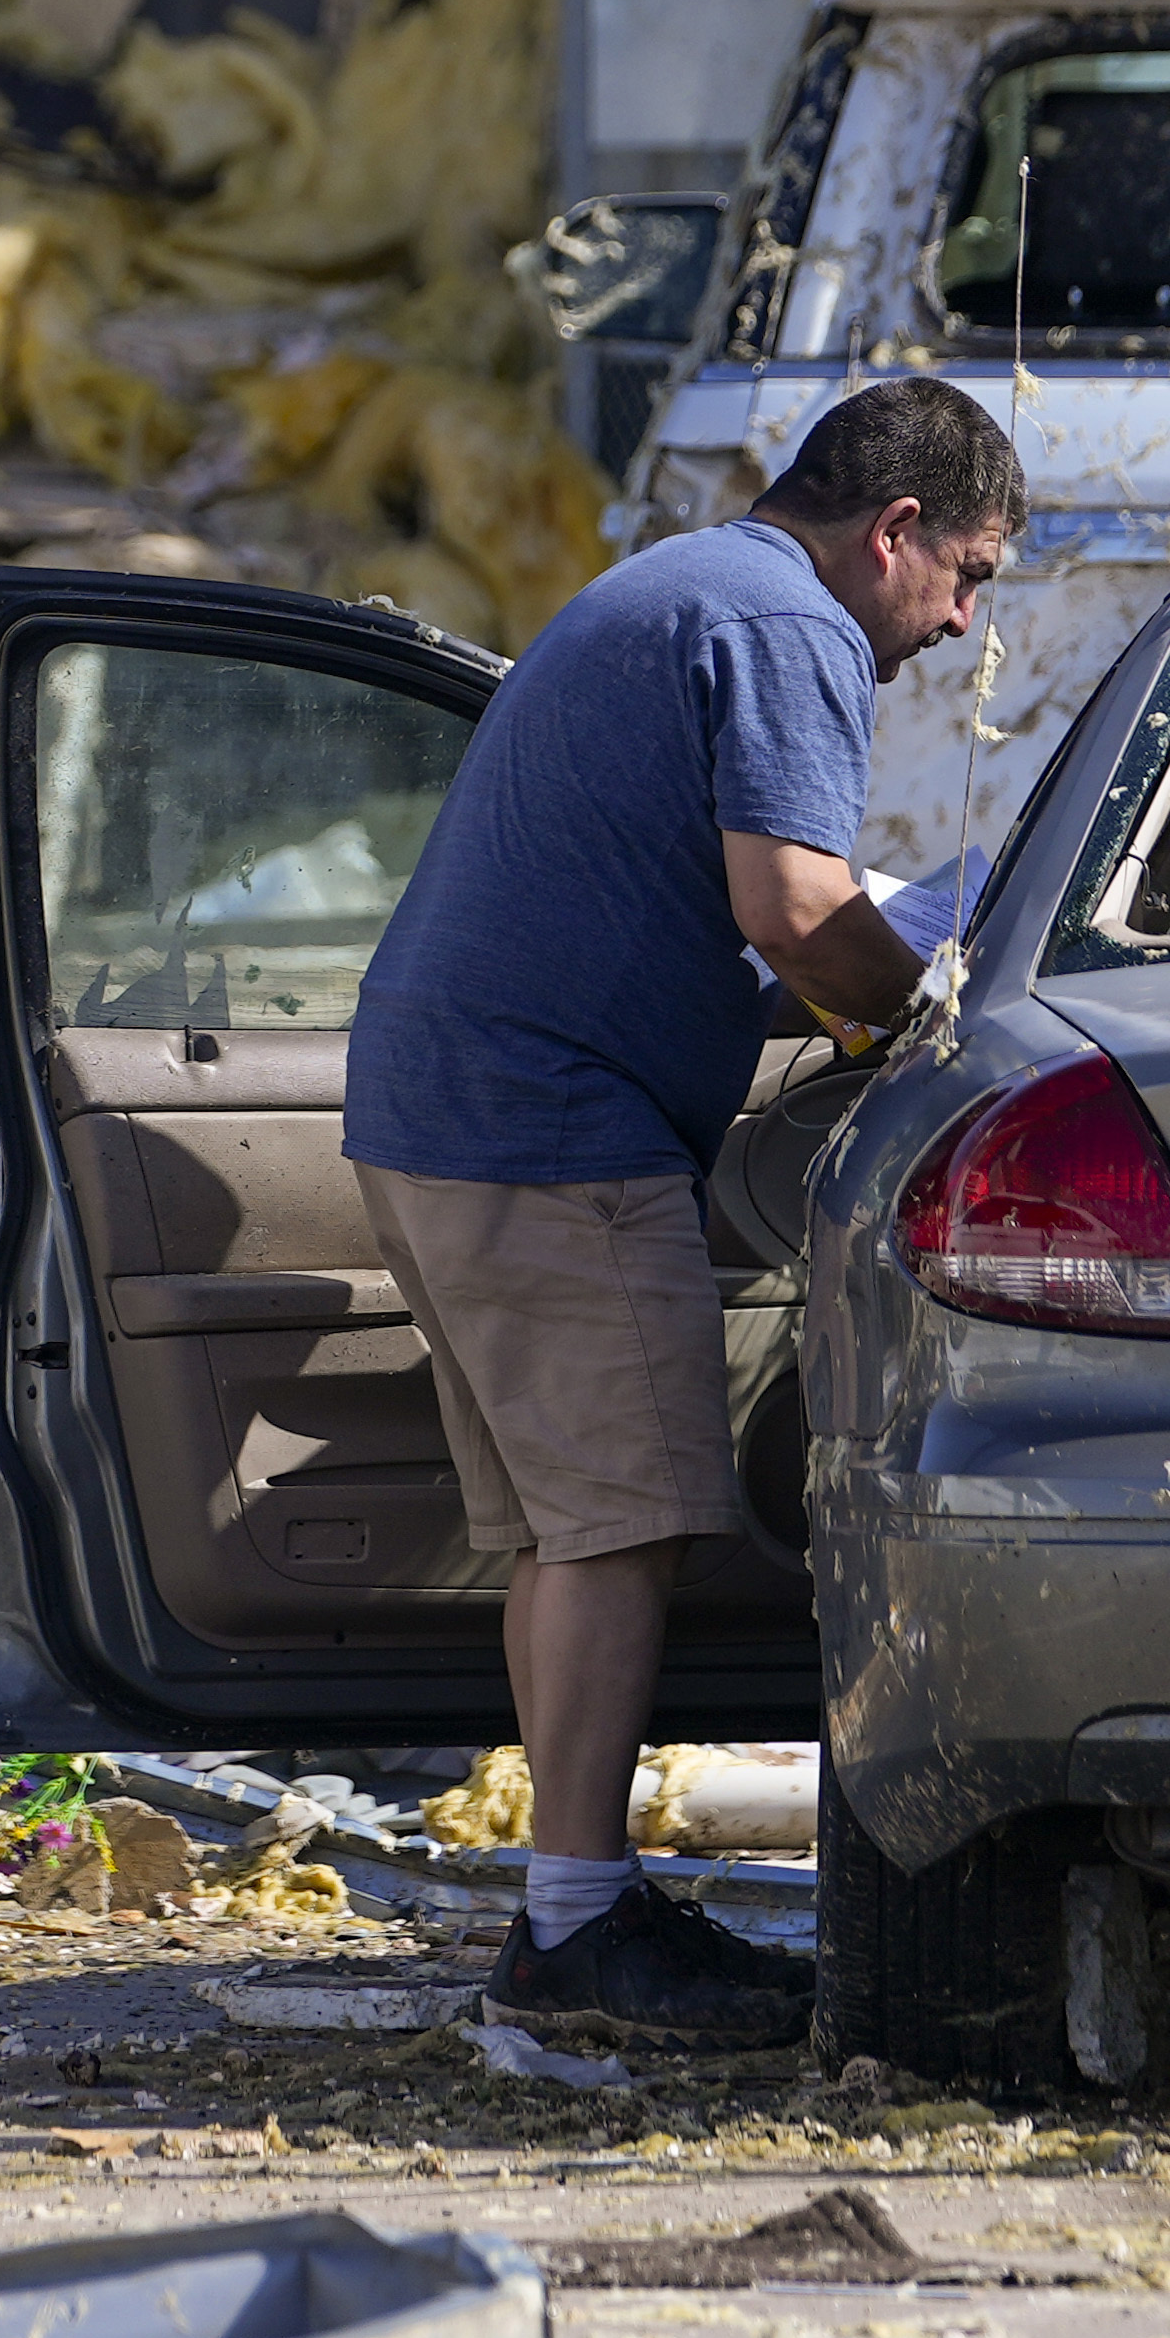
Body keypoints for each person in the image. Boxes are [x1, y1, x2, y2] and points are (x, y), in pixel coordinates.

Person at [343, 372, 1024, 2047]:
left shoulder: (683, 585)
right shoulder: (785, 625)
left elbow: (716, 912)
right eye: (972, 576)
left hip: (445, 1109)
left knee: (573, 1535)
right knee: (618, 1533)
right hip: (543, 1127)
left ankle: (569, 1908)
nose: (957, 625)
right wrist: (939, 1024)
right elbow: (793, 909)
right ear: (895, 533)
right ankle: (573, 1933)